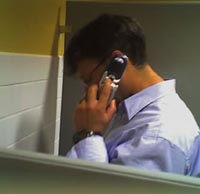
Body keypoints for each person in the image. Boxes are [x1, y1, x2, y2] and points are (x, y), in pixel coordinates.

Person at [64, 13, 200, 176]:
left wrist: (88, 134)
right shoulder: (126, 109)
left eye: (90, 79)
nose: (88, 90)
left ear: (117, 63)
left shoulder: (156, 136)